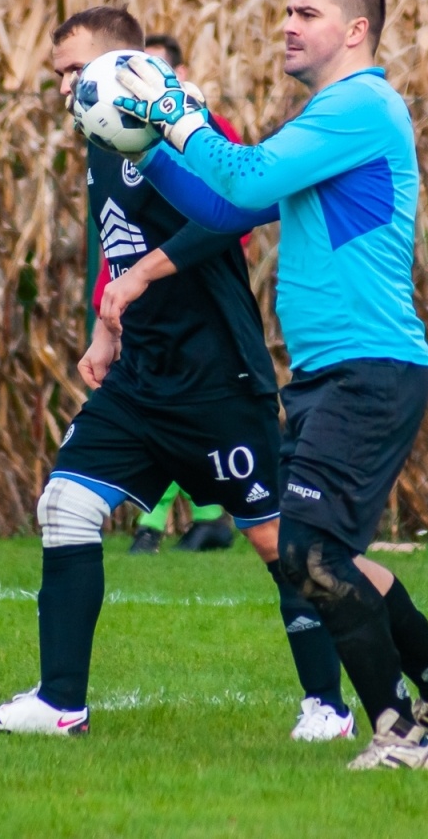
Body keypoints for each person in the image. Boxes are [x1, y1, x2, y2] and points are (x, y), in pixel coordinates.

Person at [115, 0, 428, 770]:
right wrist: (142, 148)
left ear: (356, 30)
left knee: (307, 556)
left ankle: (400, 734)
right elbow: (230, 204)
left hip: (370, 369)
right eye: (286, 11)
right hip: (336, 372)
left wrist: (173, 110)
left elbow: (244, 173)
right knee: (326, 556)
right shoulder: (330, 114)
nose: (287, 25)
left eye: (306, 13)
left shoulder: (360, 106)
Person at [0, 7, 355, 742]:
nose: (64, 88)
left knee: (276, 542)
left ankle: (327, 706)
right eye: (57, 76)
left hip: (217, 381)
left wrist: (144, 274)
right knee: (65, 505)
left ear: (122, 66)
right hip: (141, 380)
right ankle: (60, 703)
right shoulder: (101, 135)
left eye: (74, 72)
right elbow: (113, 243)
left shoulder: (182, 126)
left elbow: (237, 210)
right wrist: (104, 329)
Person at [119, 33, 238, 555]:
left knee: (179, 414)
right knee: (168, 415)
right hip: (140, 300)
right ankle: (207, 518)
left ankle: (154, 524)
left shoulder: (208, 132)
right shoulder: (118, 135)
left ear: (179, 75)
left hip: (194, 302)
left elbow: (233, 212)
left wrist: (181, 265)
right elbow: (118, 227)